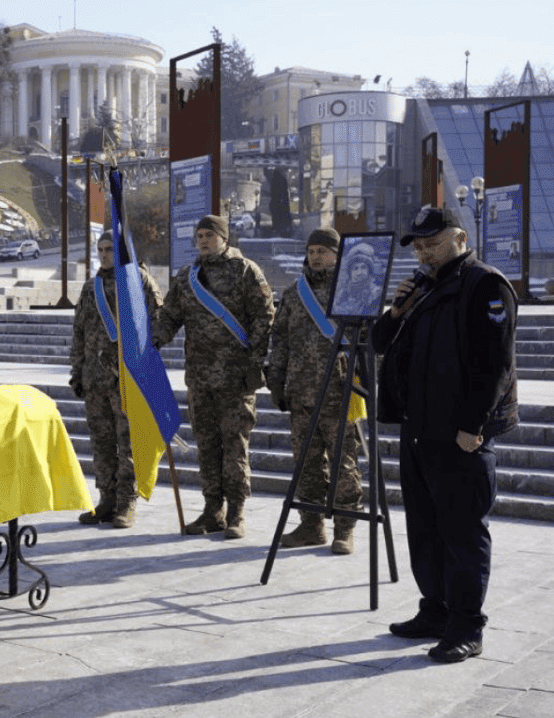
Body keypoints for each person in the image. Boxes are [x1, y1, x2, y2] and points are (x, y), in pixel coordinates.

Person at [373, 206, 518, 664]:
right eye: (416, 244)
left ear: (459, 237)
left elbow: (495, 365)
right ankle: (434, 610)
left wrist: (473, 427)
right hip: (420, 429)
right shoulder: (422, 287)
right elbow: (378, 342)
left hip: (459, 434)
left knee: (461, 531)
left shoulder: (484, 285)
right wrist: (397, 310)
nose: (422, 251)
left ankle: (466, 625)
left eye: (431, 242)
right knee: (425, 528)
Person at [154, 215, 275, 539]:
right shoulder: (187, 277)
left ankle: (237, 511)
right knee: (207, 446)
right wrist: (151, 341)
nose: (203, 241)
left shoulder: (245, 271)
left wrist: (256, 362)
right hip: (200, 378)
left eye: (209, 235)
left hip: (235, 379)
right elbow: (169, 317)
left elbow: (265, 317)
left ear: (224, 237)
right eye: (199, 236)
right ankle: (212, 510)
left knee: (234, 446)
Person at [265, 228, 362, 554]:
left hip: (338, 394)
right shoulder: (294, 294)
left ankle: (345, 527)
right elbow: (280, 340)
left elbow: (367, 341)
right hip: (301, 393)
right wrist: (275, 379)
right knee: (306, 464)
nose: (316, 256)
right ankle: (311, 525)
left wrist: (363, 379)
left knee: (343, 464)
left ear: (337, 254)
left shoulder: (352, 290)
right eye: (312, 251)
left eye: (323, 250)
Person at [69, 231, 163, 529]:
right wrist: (77, 371)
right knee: (102, 443)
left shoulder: (139, 283)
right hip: (95, 380)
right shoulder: (89, 289)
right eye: (100, 249)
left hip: (126, 379)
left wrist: (140, 364)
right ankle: (106, 499)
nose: (105, 254)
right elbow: (79, 334)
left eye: (110, 249)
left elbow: (158, 326)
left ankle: (126, 502)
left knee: (129, 442)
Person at [333, 244, 384, 316]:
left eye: (363, 267)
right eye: (355, 268)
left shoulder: (376, 294)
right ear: (350, 273)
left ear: (369, 271)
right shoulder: (342, 294)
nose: (359, 273)